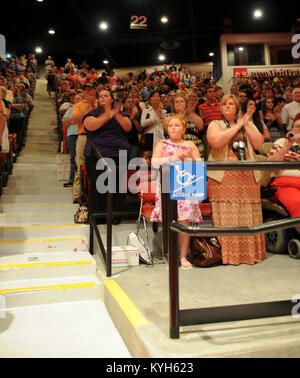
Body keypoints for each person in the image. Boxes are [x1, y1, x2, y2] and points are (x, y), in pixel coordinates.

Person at [206, 94, 266, 266]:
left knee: (249, 216)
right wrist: (237, 125)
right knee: (227, 216)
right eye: (224, 104)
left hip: (248, 177)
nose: (227, 106)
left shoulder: (247, 124)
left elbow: (259, 144)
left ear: (238, 107)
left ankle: (250, 254)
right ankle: (229, 255)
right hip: (223, 178)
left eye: (231, 104)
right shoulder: (215, 124)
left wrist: (245, 124)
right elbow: (216, 141)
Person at [151, 116, 203, 270]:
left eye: (177, 125)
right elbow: (154, 162)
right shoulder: (162, 144)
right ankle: (171, 256)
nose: (173, 128)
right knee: (169, 222)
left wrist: (190, 159)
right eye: (171, 125)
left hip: (186, 184)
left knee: (185, 221)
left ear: (183, 128)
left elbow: (199, 165)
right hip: (168, 185)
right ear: (167, 129)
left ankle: (183, 256)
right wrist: (176, 157)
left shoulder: (190, 144)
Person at [82, 89, 132, 195]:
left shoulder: (121, 114)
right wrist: (108, 115)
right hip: (97, 155)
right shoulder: (93, 113)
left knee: (117, 188)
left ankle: (116, 209)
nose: (102, 98)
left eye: (106, 95)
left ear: (112, 99)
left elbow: (127, 127)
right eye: (100, 96)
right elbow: (90, 126)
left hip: (119, 155)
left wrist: (115, 113)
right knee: (99, 188)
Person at [267, 113, 300, 234]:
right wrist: (287, 146)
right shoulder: (282, 142)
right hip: (284, 184)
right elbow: (273, 167)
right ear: (291, 129)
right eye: (297, 126)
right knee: (298, 202)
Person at [69, 84, 97, 203]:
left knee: (97, 166)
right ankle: (77, 194)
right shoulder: (79, 105)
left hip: (97, 137)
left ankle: (96, 194)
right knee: (80, 165)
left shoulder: (98, 104)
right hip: (83, 136)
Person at [62, 94, 83, 187]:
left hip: (82, 134)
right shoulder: (70, 110)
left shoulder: (86, 110)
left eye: (79, 99)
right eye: (76, 99)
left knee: (81, 158)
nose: (77, 100)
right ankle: (71, 179)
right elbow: (64, 122)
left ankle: (81, 180)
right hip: (72, 134)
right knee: (73, 157)